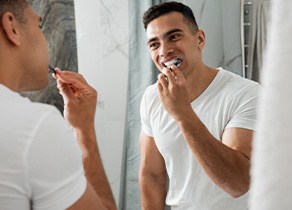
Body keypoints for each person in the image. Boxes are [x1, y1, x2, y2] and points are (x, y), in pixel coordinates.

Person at [139, 2, 260, 210]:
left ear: (200, 39)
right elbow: (152, 175)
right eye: (154, 44)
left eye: (174, 36)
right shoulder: (152, 97)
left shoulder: (246, 94)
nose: (164, 51)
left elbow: (238, 183)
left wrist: (183, 114)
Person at [0, 1, 116, 209]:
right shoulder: (35, 126)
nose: (47, 43)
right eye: (40, 27)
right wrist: (84, 130)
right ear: (12, 28)